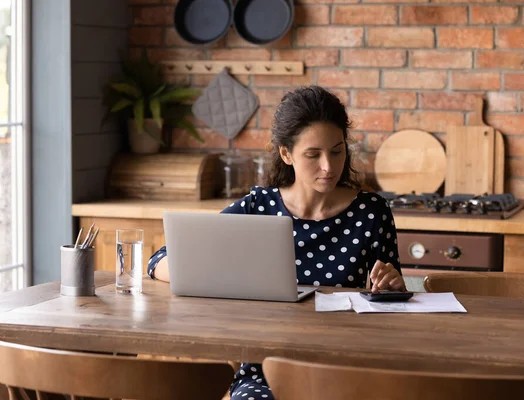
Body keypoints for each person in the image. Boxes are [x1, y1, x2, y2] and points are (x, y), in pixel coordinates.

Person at [147, 85, 405, 400]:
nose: (328, 166)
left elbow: (392, 300)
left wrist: (392, 287)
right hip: (264, 372)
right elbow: (160, 258)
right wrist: (210, 275)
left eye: (337, 151)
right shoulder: (259, 206)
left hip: (346, 370)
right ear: (286, 153)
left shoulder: (372, 212)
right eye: (313, 154)